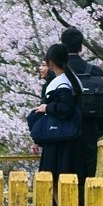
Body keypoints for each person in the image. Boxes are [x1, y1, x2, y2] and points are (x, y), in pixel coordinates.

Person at [60, 26, 103, 185]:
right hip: (89, 127)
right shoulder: (94, 71)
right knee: (87, 173)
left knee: (64, 173)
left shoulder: (57, 72)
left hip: (64, 129)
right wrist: (97, 129)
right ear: (81, 47)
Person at [31, 43, 85, 184]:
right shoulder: (70, 79)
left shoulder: (61, 83)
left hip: (58, 140)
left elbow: (65, 108)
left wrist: (47, 108)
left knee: (53, 180)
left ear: (51, 62)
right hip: (67, 136)